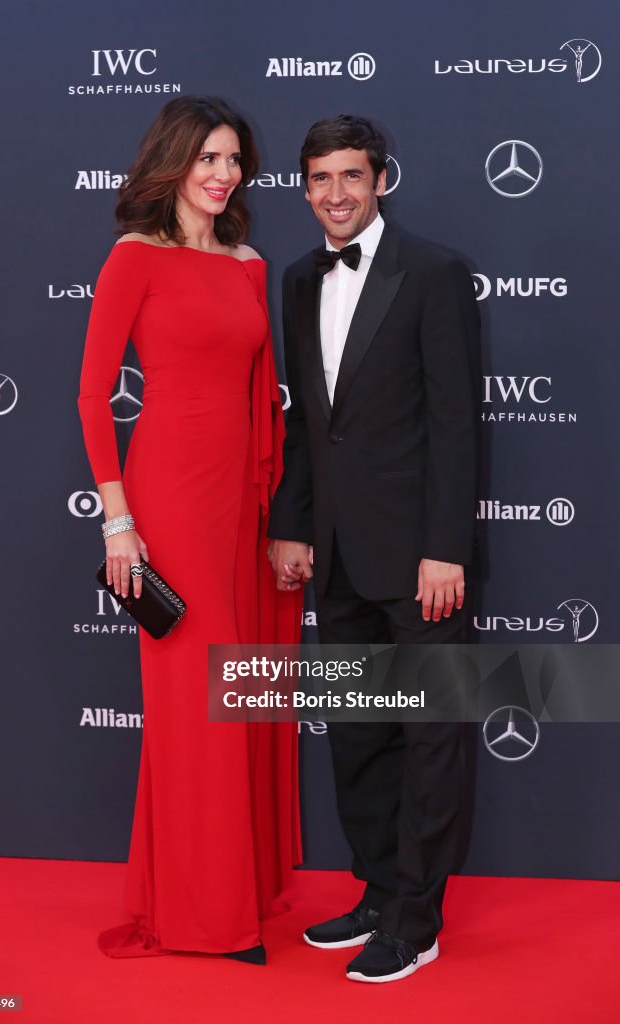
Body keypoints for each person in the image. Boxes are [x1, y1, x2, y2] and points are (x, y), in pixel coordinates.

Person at [78, 96, 301, 965]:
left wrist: (277, 513)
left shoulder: (249, 265)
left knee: (239, 688)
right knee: (195, 701)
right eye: (207, 157)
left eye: (234, 160)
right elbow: (94, 396)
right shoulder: (133, 258)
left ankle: (222, 890)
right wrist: (118, 523)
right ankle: (206, 920)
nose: (223, 174)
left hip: (238, 506)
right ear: (172, 163)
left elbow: (263, 400)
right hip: (165, 499)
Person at [268, 114, 480, 983]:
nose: (335, 195)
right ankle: (377, 890)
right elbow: (308, 425)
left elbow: (455, 421)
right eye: (319, 179)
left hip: (419, 558)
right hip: (338, 555)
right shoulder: (294, 279)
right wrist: (291, 521)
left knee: (431, 737)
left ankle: (416, 921)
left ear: (381, 180)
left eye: (351, 176)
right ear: (305, 187)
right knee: (357, 735)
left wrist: (445, 547)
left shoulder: (431, 272)